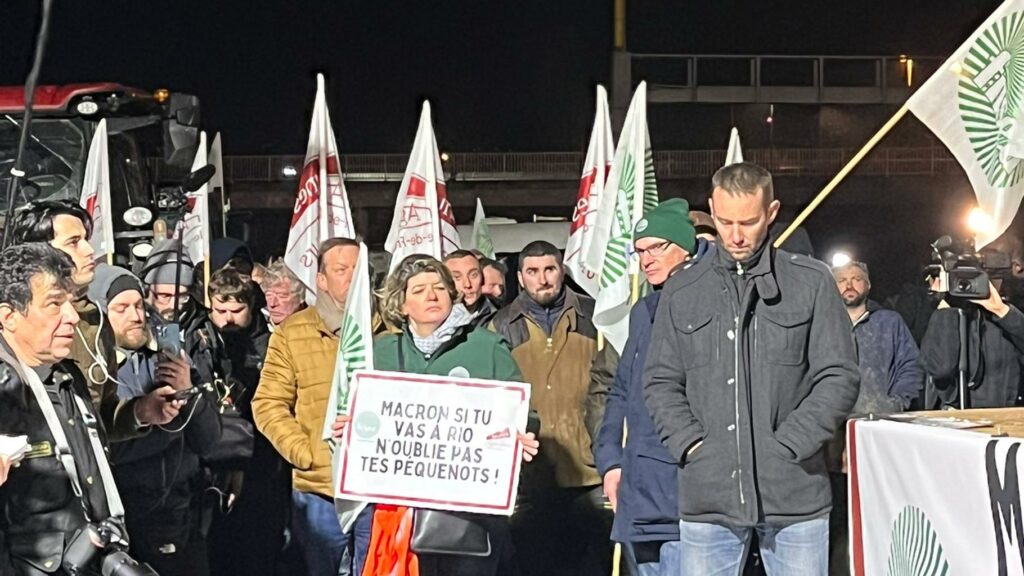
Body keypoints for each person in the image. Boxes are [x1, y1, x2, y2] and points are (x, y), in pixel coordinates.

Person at [643, 162, 860, 575]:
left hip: (796, 495)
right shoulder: (682, 287)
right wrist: (690, 444)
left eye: (749, 221)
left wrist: (792, 444)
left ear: (772, 212)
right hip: (708, 498)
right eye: (725, 222)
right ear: (711, 210)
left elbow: (839, 375)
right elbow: (660, 379)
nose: (736, 235)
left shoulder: (811, 283)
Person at [355, 254, 539, 576]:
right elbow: (362, 417)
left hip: (469, 516)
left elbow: (523, 412)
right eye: (419, 290)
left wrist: (521, 434)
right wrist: (352, 428)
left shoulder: (486, 347)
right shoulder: (380, 353)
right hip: (400, 516)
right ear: (401, 305)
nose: (431, 295)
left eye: (440, 287)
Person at [0, 243, 131, 575]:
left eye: (70, 303)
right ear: (8, 316)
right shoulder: (5, 388)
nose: (72, 316)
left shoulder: (67, 375)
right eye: (54, 304)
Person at [590, 199, 705, 576]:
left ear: (685, 247)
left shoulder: (714, 303)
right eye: (640, 250)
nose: (646, 259)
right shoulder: (643, 311)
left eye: (657, 247)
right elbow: (622, 389)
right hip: (638, 494)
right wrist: (609, 460)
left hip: (683, 495)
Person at [253, 238, 374, 576]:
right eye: (341, 270)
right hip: (321, 491)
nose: (351, 277)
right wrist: (305, 452)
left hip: (375, 489)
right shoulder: (293, 334)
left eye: (358, 270)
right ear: (320, 279)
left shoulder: (386, 331)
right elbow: (268, 403)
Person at [489, 240, 609, 576]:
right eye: (532, 271)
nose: (542, 279)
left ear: (562, 271)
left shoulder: (596, 316)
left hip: (589, 470)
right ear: (521, 277)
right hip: (531, 472)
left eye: (549, 269)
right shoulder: (500, 326)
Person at [93, 265, 223, 575]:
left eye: (138, 305)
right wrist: (165, 428)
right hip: (126, 519)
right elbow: (109, 447)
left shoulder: (168, 355)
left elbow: (209, 440)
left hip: (181, 513)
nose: (135, 316)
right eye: (121, 308)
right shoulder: (97, 370)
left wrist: (188, 389)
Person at [7, 201, 146, 437]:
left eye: (85, 239)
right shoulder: (19, 318)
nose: (89, 250)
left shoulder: (96, 319)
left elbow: (97, 418)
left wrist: (141, 412)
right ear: (38, 252)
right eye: (73, 242)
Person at [829, 260, 923, 576]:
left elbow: (911, 367)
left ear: (868, 286)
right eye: (842, 279)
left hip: (878, 430)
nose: (849, 284)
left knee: (878, 506)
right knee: (835, 511)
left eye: (857, 279)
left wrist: (894, 405)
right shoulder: (820, 323)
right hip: (829, 433)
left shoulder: (889, 323)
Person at [205, 268, 289, 576]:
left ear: (251, 307)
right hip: (217, 456)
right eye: (220, 310)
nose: (227, 318)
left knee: (258, 544)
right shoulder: (207, 341)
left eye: (236, 310)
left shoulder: (270, 345)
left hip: (261, 460)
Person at [920, 265, 1024, 408]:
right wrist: (946, 307)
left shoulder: (1011, 316)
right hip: (955, 423)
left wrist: (1002, 311)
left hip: (1004, 420)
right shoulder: (942, 314)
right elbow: (941, 369)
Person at [444, 249, 499, 327]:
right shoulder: (434, 319)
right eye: (457, 277)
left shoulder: (500, 319)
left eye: (473, 275)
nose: (467, 284)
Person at [257, 257, 307, 328]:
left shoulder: (318, 330)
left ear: (301, 296)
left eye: (282, 296)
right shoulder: (261, 328)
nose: (272, 304)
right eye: (268, 295)